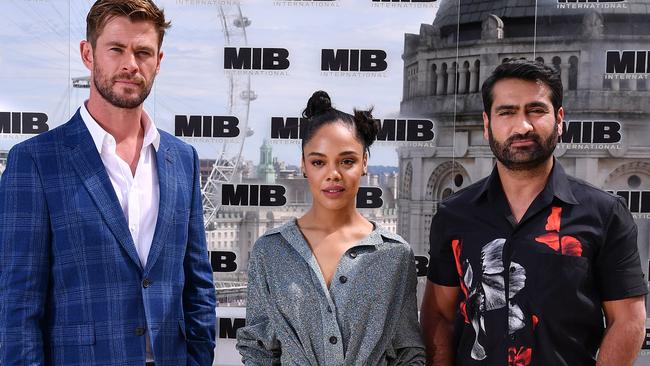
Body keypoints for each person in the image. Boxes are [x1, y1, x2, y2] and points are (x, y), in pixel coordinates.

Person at [0, 1, 216, 365]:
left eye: (143, 52)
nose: (130, 64)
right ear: (88, 54)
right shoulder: (35, 161)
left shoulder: (182, 159)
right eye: (116, 49)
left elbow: (197, 284)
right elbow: (18, 305)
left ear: (158, 61)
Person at [420, 59, 647, 366]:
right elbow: (440, 316)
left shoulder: (605, 214)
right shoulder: (454, 215)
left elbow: (628, 320)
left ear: (560, 119)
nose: (522, 126)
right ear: (488, 124)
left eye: (536, 110)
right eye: (507, 112)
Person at [236, 91, 425, 365]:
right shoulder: (270, 251)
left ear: (364, 164)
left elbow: (409, 352)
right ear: (303, 165)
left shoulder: (395, 255)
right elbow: (258, 350)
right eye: (318, 162)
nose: (333, 174)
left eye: (347, 161)